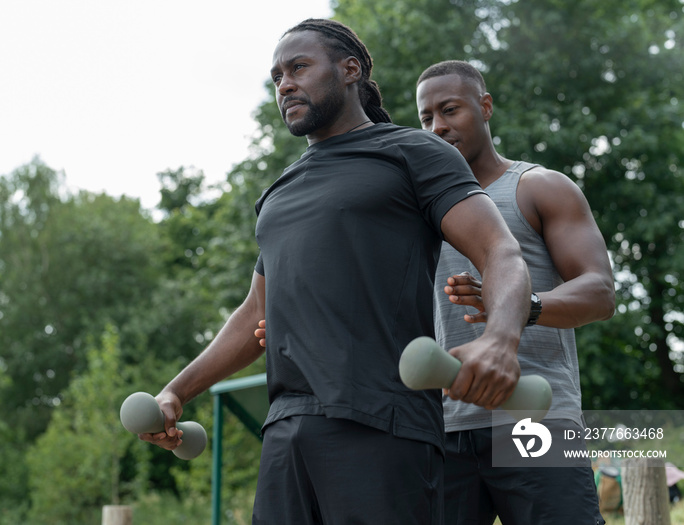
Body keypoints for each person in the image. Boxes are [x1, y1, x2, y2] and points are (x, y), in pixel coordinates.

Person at [142, 20, 532, 524]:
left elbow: (500, 250)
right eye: (276, 76)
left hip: (383, 424)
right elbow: (256, 311)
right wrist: (176, 391)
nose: (284, 84)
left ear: (350, 70)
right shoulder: (279, 192)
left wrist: (501, 340)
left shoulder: (414, 152)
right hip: (285, 430)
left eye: (298, 67)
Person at [416, 60, 616, 525]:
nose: (438, 127)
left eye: (450, 110)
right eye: (426, 118)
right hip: (440, 426)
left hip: (534, 413)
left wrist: (521, 306)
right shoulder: (415, 214)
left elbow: (600, 292)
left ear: (485, 107)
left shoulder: (538, 187)